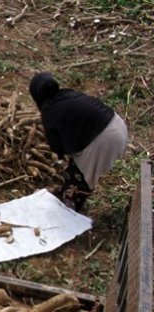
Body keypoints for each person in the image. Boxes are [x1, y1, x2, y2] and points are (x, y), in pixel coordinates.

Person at [29, 72, 128, 212]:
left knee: (79, 178)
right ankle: (66, 197)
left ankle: (68, 212)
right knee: (76, 170)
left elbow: (57, 147)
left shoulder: (49, 110)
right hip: (118, 125)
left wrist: (61, 154)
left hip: (105, 138)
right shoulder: (67, 94)